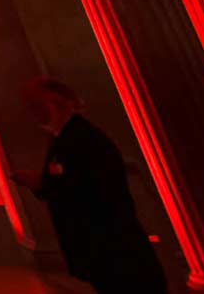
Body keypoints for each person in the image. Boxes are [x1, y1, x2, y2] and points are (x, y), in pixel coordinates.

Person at [15, 78, 165, 294]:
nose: (33, 113)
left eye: (37, 105)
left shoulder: (82, 138)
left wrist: (43, 184)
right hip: (101, 245)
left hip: (111, 244)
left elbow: (89, 188)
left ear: (58, 103)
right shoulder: (63, 138)